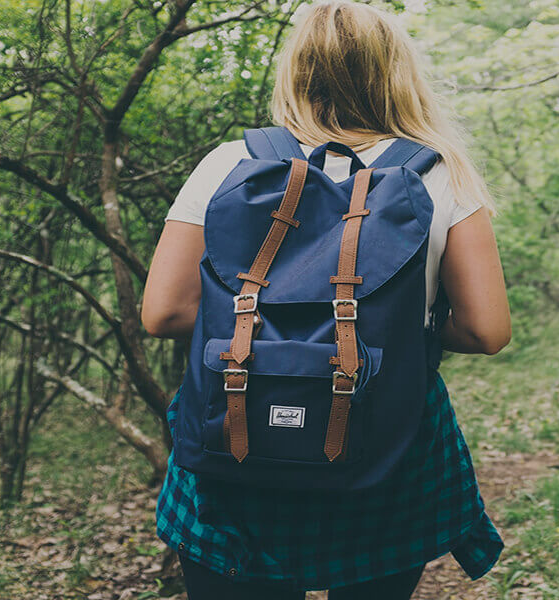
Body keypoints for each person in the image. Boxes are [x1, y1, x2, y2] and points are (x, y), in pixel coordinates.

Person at [140, 2, 510, 598]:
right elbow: (486, 330)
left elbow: (163, 313)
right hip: (385, 443)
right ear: (397, 73)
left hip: (238, 438)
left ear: (296, 71)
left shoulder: (228, 164)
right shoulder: (442, 176)